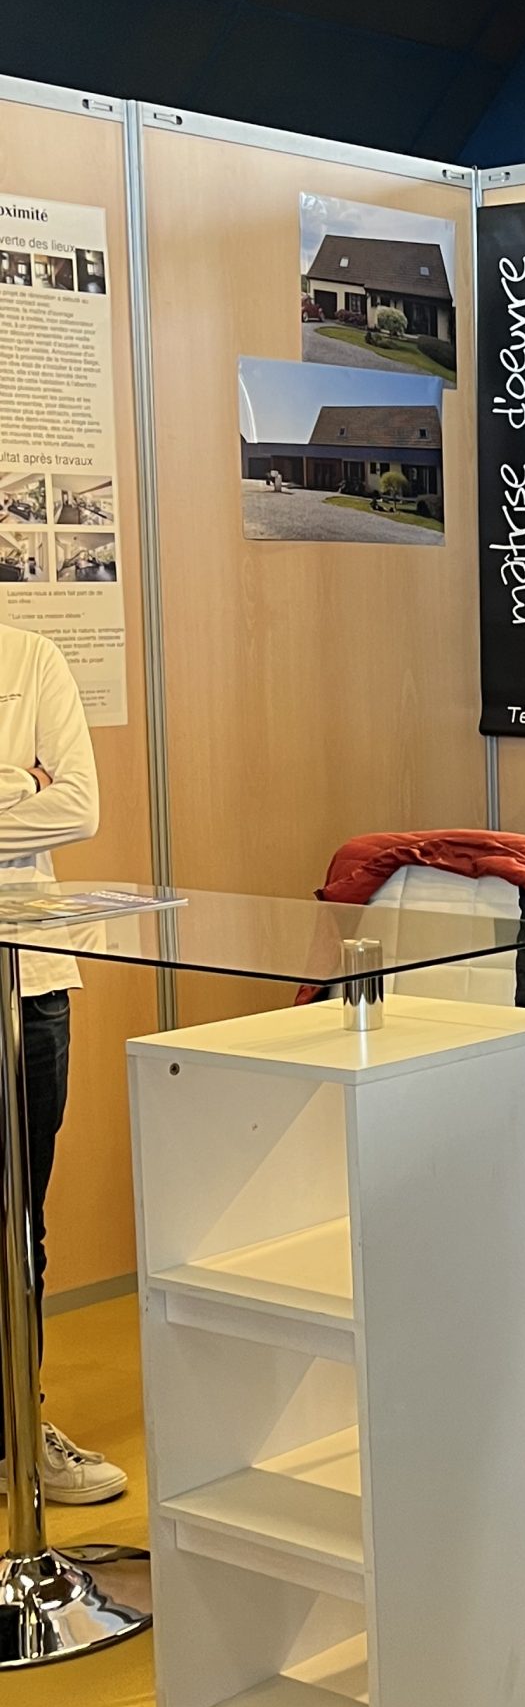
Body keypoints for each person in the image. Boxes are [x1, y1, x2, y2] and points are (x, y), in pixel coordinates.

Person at [0, 625, 125, 1506]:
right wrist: (21, 783)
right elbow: (48, 797)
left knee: (20, 1223)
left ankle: (19, 1431)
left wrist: (48, 789)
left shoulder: (31, 657)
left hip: (31, 983)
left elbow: (79, 808)